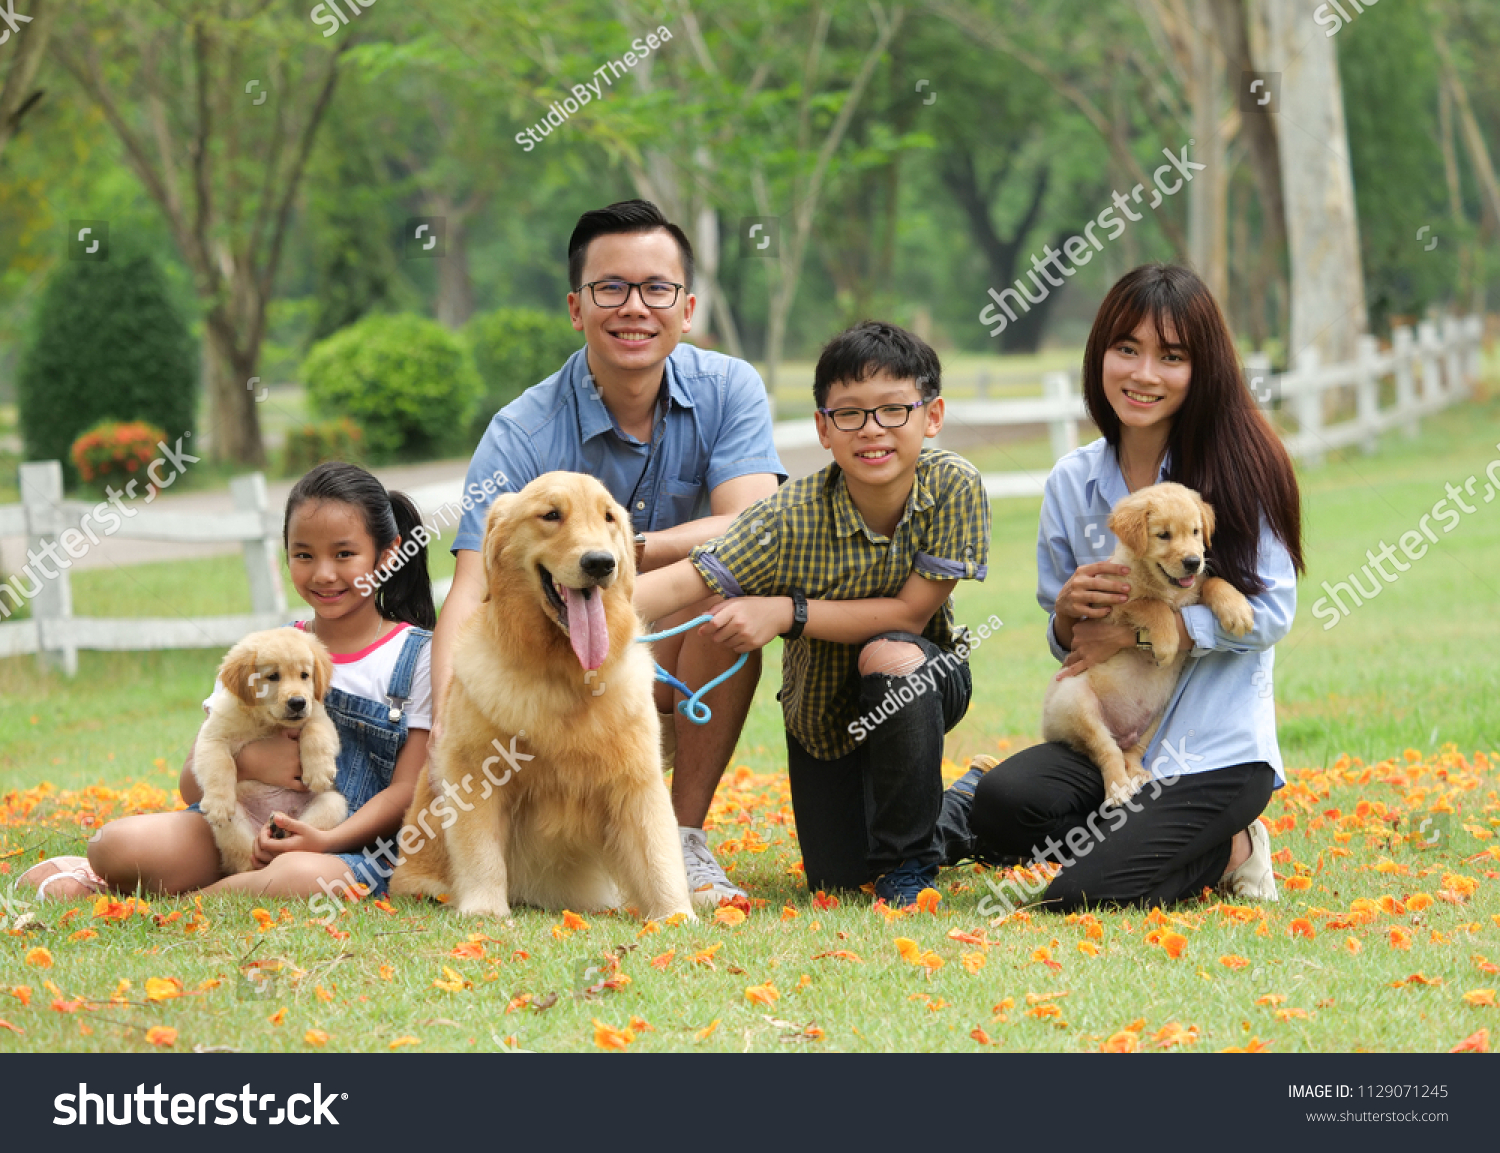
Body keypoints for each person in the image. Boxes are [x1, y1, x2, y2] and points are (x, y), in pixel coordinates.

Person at [438, 199, 785, 904]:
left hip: (678, 638)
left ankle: (682, 839)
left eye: (657, 289)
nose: (635, 307)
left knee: (734, 585)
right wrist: (444, 724)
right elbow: (471, 585)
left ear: (686, 308)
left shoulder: (730, 387)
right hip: (559, 662)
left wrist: (618, 549)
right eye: (611, 289)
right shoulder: (521, 430)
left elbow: (752, 522)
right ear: (575, 306)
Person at [941, 263, 1304, 915]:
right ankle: (1138, 827)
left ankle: (1232, 845)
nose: (1143, 373)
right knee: (1001, 808)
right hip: (1118, 731)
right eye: (1126, 349)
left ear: (1204, 367)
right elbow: (1068, 643)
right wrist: (1069, 614)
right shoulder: (1072, 480)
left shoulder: (1242, 466)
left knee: (1086, 893)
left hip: (1214, 749)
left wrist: (1151, 626)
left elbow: (1273, 611)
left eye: (1171, 356)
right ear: (1099, 355)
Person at [636, 321, 991, 907]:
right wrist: (576, 618)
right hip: (823, 718)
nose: (872, 430)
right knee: (838, 880)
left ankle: (909, 867)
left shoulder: (952, 484)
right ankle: (965, 807)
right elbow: (685, 581)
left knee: (890, 653)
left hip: (919, 682)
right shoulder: (787, 516)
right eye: (849, 414)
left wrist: (785, 613)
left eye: (894, 410)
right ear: (824, 429)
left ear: (932, 416)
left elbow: (909, 610)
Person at [18, 462, 434, 904]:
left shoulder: (417, 655)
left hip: (342, 846)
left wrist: (324, 840)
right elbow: (189, 784)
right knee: (115, 844)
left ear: (388, 555)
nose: (323, 574)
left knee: (301, 876)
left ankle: (194, 898)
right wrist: (252, 763)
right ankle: (135, 874)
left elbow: (407, 791)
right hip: (236, 823)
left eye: (344, 554)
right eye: (304, 554)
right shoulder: (263, 652)